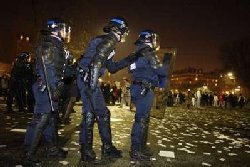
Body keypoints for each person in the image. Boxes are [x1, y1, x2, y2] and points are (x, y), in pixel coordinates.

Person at [77, 16, 142, 162]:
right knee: (99, 113)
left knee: (92, 113)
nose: (125, 34)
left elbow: (111, 68)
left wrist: (129, 59)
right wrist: (92, 87)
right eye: (124, 30)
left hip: (85, 78)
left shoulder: (106, 41)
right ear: (117, 29)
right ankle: (102, 149)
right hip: (89, 79)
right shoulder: (109, 40)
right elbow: (95, 64)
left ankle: (89, 150)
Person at [24, 18, 71, 164]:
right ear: (56, 29)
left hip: (49, 86)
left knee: (50, 119)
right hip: (46, 87)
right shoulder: (49, 44)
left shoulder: (57, 44)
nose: (66, 32)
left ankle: (52, 149)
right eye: (64, 28)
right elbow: (48, 69)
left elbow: (60, 69)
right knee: (41, 119)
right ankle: (29, 153)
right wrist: (54, 87)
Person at [128, 29, 167, 161]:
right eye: (154, 38)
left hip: (137, 87)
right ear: (148, 39)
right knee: (141, 120)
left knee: (142, 119)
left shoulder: (137, 52)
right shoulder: (148, 52)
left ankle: (141, 147)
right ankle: (136, 150)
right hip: (144, 88)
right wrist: (167, 63)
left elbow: (131, 69)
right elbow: (161, 70)